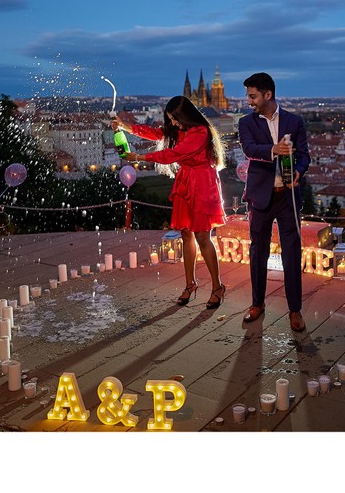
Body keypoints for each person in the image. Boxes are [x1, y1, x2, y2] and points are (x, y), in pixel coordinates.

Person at [111, 96, 227, 309]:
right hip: (187, 181)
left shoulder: (200, 132)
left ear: (185, 116)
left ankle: (217, 287)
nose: (172, 123)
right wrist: (125, 127)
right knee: (186, 233)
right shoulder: (180, 128)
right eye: (170, 119)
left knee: (202, 236)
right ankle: (190, 284)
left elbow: (174, 154)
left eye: (174, 119)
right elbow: (155, 133)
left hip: (202, 183)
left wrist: (139, 157)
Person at [238, 72, 310, 332]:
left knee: (292, 253)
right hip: (260, 196)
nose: (248, 101)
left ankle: (295, 310)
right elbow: (248, 149)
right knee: (258, 252)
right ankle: (257, 304)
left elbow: (304, 156)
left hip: (288, 197)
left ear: (268, 95)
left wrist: (299, 172)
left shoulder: (294, 121)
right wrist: (273, 150)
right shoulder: (246, 123)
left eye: (252, 95)